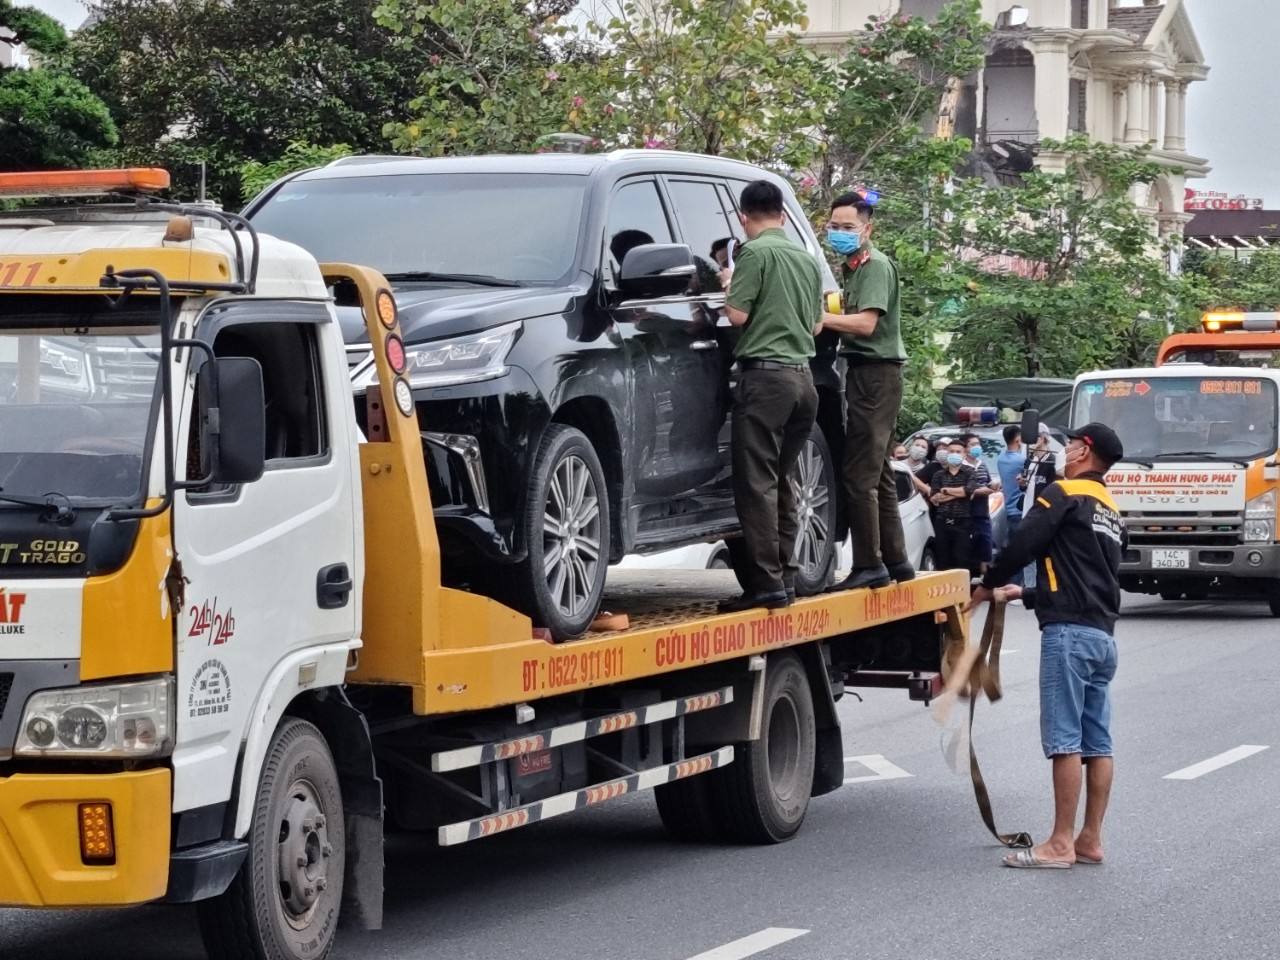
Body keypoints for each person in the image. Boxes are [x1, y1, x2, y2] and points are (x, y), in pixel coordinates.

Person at [967, 422, 1126, 869]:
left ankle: (1059, 844)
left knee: (1065, 740)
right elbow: (1096, 577)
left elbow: (1021, 543)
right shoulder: (1112, 511)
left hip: (1069, 634)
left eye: (1071, 443)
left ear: (1084, 453)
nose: (1065, 448)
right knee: (1098, 743)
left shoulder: (1062, 493)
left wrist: (987, 585)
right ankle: (1089, 839)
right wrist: (1031, 595)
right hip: (1102, 638)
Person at [718, 179, 822, 613]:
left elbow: (737, 314)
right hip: (804, 384)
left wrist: (729, 283)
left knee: (756, 484)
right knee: (781, 479)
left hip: (766, 382)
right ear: (782, 214)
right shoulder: (805, 257)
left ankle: (767, 585)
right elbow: (817, 326)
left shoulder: (754, 254)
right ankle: (788, 575)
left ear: (744, 218)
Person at [819, 191, 913, 591]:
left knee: (859, 475)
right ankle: (896, 560)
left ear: (867, 228)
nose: (839, 233)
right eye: (834, 227)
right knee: (880, 474)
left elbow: (866, 325)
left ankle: (868, 564)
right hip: (867, 372)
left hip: (876, 373)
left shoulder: (873, 266)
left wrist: (819, 318)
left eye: (847, 228)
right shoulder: (853, 266)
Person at [929, 439, 978, 571]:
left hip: (963, 522)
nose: (954, 454)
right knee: (943, 561)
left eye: (958, 451)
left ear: (964, 454)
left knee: (961, 560)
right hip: (942, 522)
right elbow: (935, 498)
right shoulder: (939, 475)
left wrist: (945, 490)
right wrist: (960, 493)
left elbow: (968, 491)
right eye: (951, 451)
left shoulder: (970, 472)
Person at [1020, 424, 1059, 587]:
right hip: (1028, 512)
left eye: (1034, 436)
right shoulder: (1029, 460)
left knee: (1044, 554)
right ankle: (1030, 587)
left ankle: (1045, 588)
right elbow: (1026, 487)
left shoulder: (1052, 462)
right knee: (1026, 554)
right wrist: (1022, 483)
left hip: (1043, 515)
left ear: (1043, 438)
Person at [961, 432, 999, 579]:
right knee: (968, 552)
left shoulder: (981, 464)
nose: (977, 447)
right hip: (967, 514)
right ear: (965, 448)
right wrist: (979, 491)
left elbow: (987, 483)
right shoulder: (960, 468)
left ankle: (988, 583)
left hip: (983, 513)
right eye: (973, 445)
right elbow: (961, 489)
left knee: (986, 548)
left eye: (978, 444)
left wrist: (993, 485)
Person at [996, 424, 1027, 584]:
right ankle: (1015, 583)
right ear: (1018, 439)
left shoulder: (1001, 459)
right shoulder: (1021, 460)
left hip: (1009, 509)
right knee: (1021, 549)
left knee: (1012, 546)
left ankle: (1008, 580)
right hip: (1020, 510)